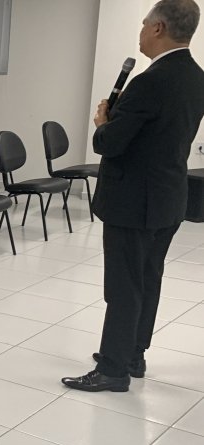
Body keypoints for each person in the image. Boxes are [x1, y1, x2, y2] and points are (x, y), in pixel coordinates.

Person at [63, 0, 204, 392]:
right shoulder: (196, 77)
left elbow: (111, 143)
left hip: (133, 201)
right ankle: (133, 355)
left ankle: (112, 370)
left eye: (144, 24)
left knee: (124, 285)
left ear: (158, 28)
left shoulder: (149, 81)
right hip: (168, 197)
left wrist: (102, 122)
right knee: (148, 278)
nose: (140, 31)